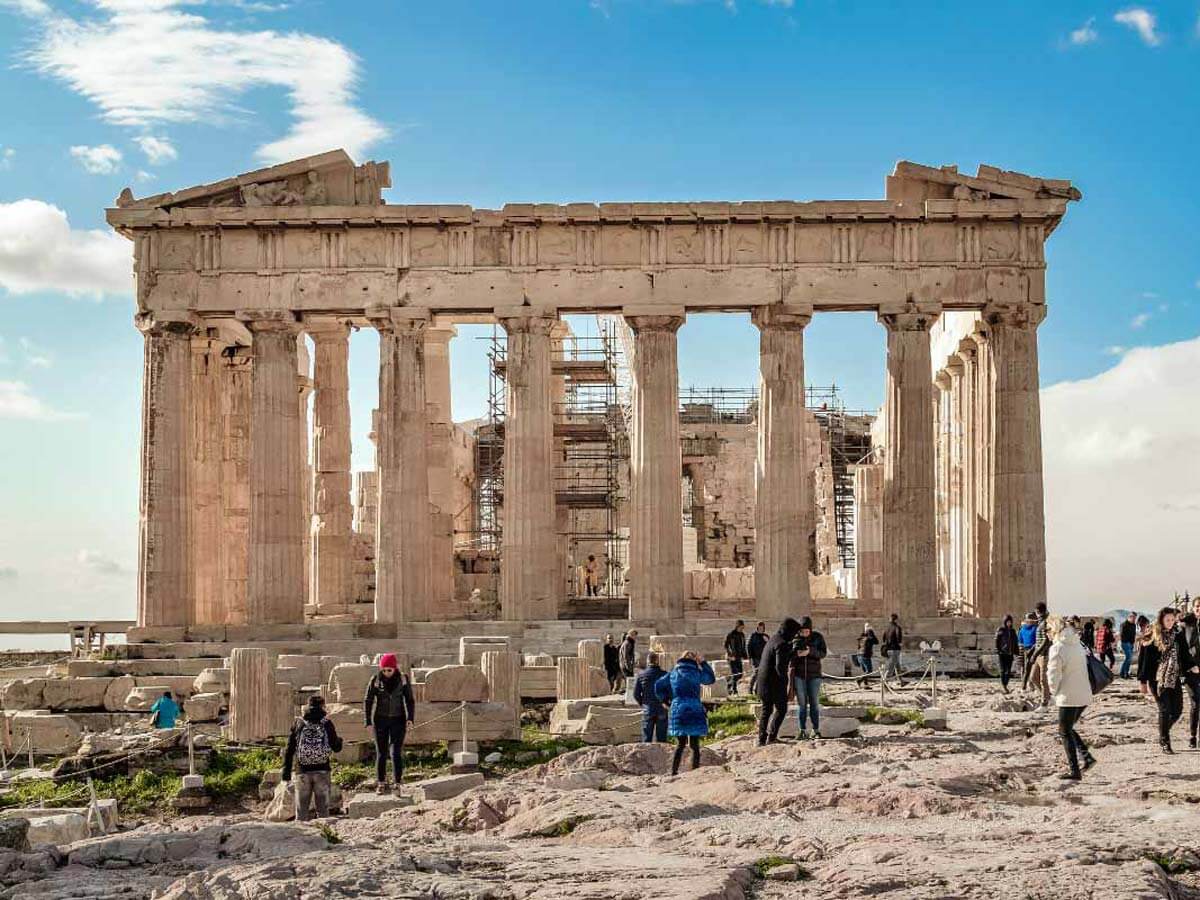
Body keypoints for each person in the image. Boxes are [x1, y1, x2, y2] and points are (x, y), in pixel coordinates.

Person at [1138, 607, 1199, 754]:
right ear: (1161, 620)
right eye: (1167, 620)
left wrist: (1192, 666)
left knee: (1177, 711)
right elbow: (1144, 660)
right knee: (1165, 710)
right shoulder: (1153, 635)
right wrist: (1143, 681)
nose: (1170, 622)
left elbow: (1184, 653)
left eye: (1172, 619)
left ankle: (1162, 731)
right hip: (1156, 679)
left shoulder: (1178, 634)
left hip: (1173, 677)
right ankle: (1165, 741)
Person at [1045, 616, 1096, 781]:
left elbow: (1053, 675)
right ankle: (1087, 757)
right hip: (1083, 693)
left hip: (1068, 695)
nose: (1046, 633)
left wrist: (1053, 693)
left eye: (1047, 630)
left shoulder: (1057, 648)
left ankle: (1075, 771)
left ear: (1054, 630)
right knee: (1068, 727)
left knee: (1064, 731)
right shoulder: (1077, 644)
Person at [282, 695, 344, 821]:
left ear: (307, 706)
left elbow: (289, 750)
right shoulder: (326, 723)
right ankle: (325, 836)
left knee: (301, 811)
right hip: (322, 769)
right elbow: (336, 748)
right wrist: (340, 741)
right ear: (323, 706)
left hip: (302, 770)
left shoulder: (298, 723)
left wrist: (286, 773)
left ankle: (302, 838)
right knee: (323, 812)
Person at [654, 651, 715, 776]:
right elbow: (710, 679)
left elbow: (658, 686)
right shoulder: (696, 672)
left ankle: (674, 771)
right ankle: (694, 771)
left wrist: (665, 700)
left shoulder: (673, 673)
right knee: (694, 744)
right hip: (694, 707)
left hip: (678, 708)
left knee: (680, 744)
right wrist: (703, 662)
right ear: (694, 660)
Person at [363, 653, 415, 795]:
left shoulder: (403, 679)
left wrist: (410, 718)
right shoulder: (375, 680)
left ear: (394, 668)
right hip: (380, 720)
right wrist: (367, 721)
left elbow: (409, 700)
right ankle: (381, 782)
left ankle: (397, 783)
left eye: (389, 670)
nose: (386, 673)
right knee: (381, 753)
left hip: (398, 719)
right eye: (384, 670)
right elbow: (368, 700)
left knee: (395, 752)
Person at [755, 618, 800, 746]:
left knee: (766, 711)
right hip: (774, 683)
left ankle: (761, 739)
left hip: (763, 682)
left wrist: (792, 653)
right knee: (781, 709)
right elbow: (780, 666)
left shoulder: (773, 638)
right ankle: (772, 737)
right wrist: (787, 684)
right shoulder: (782, 643)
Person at [789, 617, 828, 739]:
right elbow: (789, 655)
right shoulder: (794, 639)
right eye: (802, 631)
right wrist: (797, 654)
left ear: (810, 630)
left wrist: (810, 651)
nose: (805, 633)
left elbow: (823, 653)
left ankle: (815, 730)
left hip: (814, 675)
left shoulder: (818, 637)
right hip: (799, 676)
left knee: (814, 703)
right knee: (802, 704)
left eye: (807, 631)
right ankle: (802, 730)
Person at [633, 651, 669, 743]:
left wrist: (643, 703)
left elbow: (636, 694)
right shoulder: (664, 674)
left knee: (646, 738)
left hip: (648, 708)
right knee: (661, 739)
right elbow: (670, 691)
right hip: (662, 707)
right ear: (657, 661)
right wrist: (667, 703)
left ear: (648, 661)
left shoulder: (641, 675)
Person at [1026, 603, 1052, 708]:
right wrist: (1032, 650)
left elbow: (1046, 641)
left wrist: (1034, 653)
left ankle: (1044, 703)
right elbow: (1039, 640)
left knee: (1043, 680)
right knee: (1033, 677)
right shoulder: (1040, 622)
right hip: (1038, 655)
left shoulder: (1046, 622)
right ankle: (1047, 697)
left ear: (1037, 611)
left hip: (1044, 655)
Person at [1183, 613, 1200, 750]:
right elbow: (1182, 650)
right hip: (1191, 670)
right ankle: (1193, 736)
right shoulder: (1187, 625)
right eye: (1197, 606)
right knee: (1195, 702)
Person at [994, 615, 1019, 694]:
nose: (1009, 623)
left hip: (1010, 653)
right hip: (1002, 653)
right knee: (1002, 670)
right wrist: (998, 650)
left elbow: (1015, 642)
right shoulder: (1001, 630)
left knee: (1008, 671)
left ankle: (1006, 684)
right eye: (1008, 622)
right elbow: (997, 640)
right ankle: (1003, 685)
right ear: (1005, 622)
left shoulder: (1013, 631)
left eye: (1010, 622)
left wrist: (1016, 651)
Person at [724, 620, 749, 695]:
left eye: (743, 627)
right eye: (741, 627)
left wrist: (745, 656)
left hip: (738, 657)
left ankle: (729, 684)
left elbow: (743, 646)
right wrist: (730, 655)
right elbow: (725, 645)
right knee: (735, 673)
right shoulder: (731, 634)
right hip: (732, 657)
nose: (742, 628)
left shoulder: (742, 635)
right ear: (737, 626)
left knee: (739, 674)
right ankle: (734, 691)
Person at [881, 614, 904, 686]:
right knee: (891, 667)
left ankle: (901, 681)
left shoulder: (886, 628)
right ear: (896, 619)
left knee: (897, 665)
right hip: (895, 649)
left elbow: (883, 638)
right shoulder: (897, 627)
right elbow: (898, 637)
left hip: (888, 649)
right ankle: (885, 682)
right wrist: (900, 643)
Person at [1018, 613, 1039, 688]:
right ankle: (1024, 686)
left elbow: (1037, 640)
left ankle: (1030, 684)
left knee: (1033, 668)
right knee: (1027, 668)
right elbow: (1020, 641)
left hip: (1035, 649)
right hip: (1026, 650)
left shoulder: (1036, 628)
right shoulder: (1023, 629)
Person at [747, 622, 768, 692]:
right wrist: (749, 657)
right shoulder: (753, 636)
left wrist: (767, 641)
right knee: (756, 673)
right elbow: (748, 646)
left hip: (763, 658)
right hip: (755, 658)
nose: (761, 629)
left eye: (762, 628)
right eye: (759, 628)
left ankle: (757, 690)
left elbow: (770, 646)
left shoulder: (765, 636)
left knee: (761, 674)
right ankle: (750, 688)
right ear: (757, 628)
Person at [1119, 612, 1139, 679]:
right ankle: (1122, 673)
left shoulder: (1134, 625)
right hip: (1125, 643)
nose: (1133, 619)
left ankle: (1126, 673)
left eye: (1135, 617)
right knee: (1128, 658)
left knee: (1129, 659)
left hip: (1131, 643)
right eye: (1132, 617)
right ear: (1129, 617)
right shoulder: (1124, 624)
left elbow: (1134, 635)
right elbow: (1121, 635)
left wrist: (1133, 643)